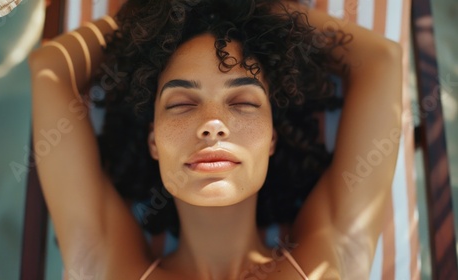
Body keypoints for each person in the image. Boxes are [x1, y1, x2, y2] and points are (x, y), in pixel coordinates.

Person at [29, 0, 402, 279]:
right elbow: (50, 68)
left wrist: (245, 7)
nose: (212, 124)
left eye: (242, 102)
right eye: (180, 104)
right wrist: (165, 12)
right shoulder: (107, 264)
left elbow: (381, 59)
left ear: (272, 137)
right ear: (153, 141)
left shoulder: (328, 257)